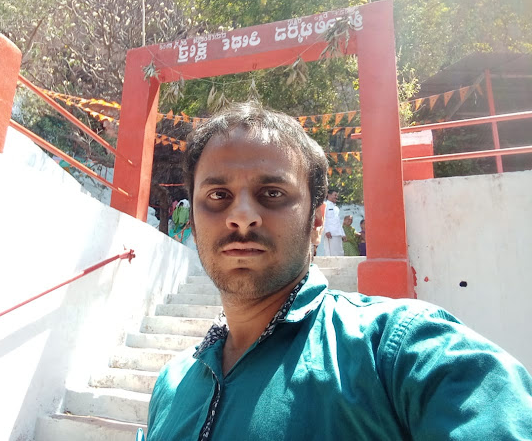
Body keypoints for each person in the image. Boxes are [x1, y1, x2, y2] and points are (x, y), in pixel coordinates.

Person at [145, 102, 532, 440]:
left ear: (317, 220)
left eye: (273, 193)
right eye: (217, 196)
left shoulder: (396, 352)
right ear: (193, 220)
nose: (242, 216)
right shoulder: (171, 385)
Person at [323, 189, 346, 256]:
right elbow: (324, 219)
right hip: (330, 233)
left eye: (337, 196)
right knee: (331, 253)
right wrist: (326, 230)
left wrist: (343, 234)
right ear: (329, 195)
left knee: (339, 252)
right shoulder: (325, 205)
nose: (336, 197)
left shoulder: (336, 208)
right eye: (335, 195)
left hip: (337, 233)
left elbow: (338, 222)